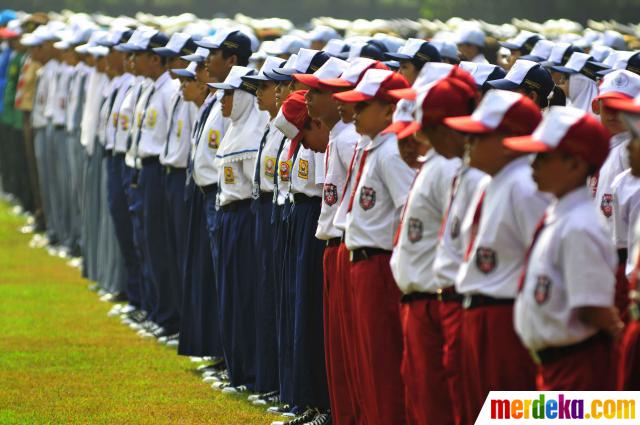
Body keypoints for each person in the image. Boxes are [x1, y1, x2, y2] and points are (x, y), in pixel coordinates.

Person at [444, 90, 547, 420]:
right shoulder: (491, 181)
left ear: (509, 140)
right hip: (479, 311)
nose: (469, 142)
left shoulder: (525, 185)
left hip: (505, 317)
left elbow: (541, 260)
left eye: (480, 136)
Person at [505, 106, 622, 390]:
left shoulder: (580, 225)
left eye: (544, 157)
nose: (533, 164)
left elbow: (594, 308)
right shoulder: (559, 214)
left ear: (575, 164)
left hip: (578, 366)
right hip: (555, 365)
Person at [389, 69, 479, 425]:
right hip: (420, 297)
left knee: (437, 403)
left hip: (434, 297)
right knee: (421, 399)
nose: (418, 139)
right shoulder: (439, 164)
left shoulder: (451, 168)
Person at [333, 68, 414, 425]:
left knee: (382, 363)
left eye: (363, 105)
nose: (355, 112)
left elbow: (407, 209)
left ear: (388, 110)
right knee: (366, 362)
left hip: (381, 263)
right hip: (364, 262)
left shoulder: (392, 151)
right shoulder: (375, 147)